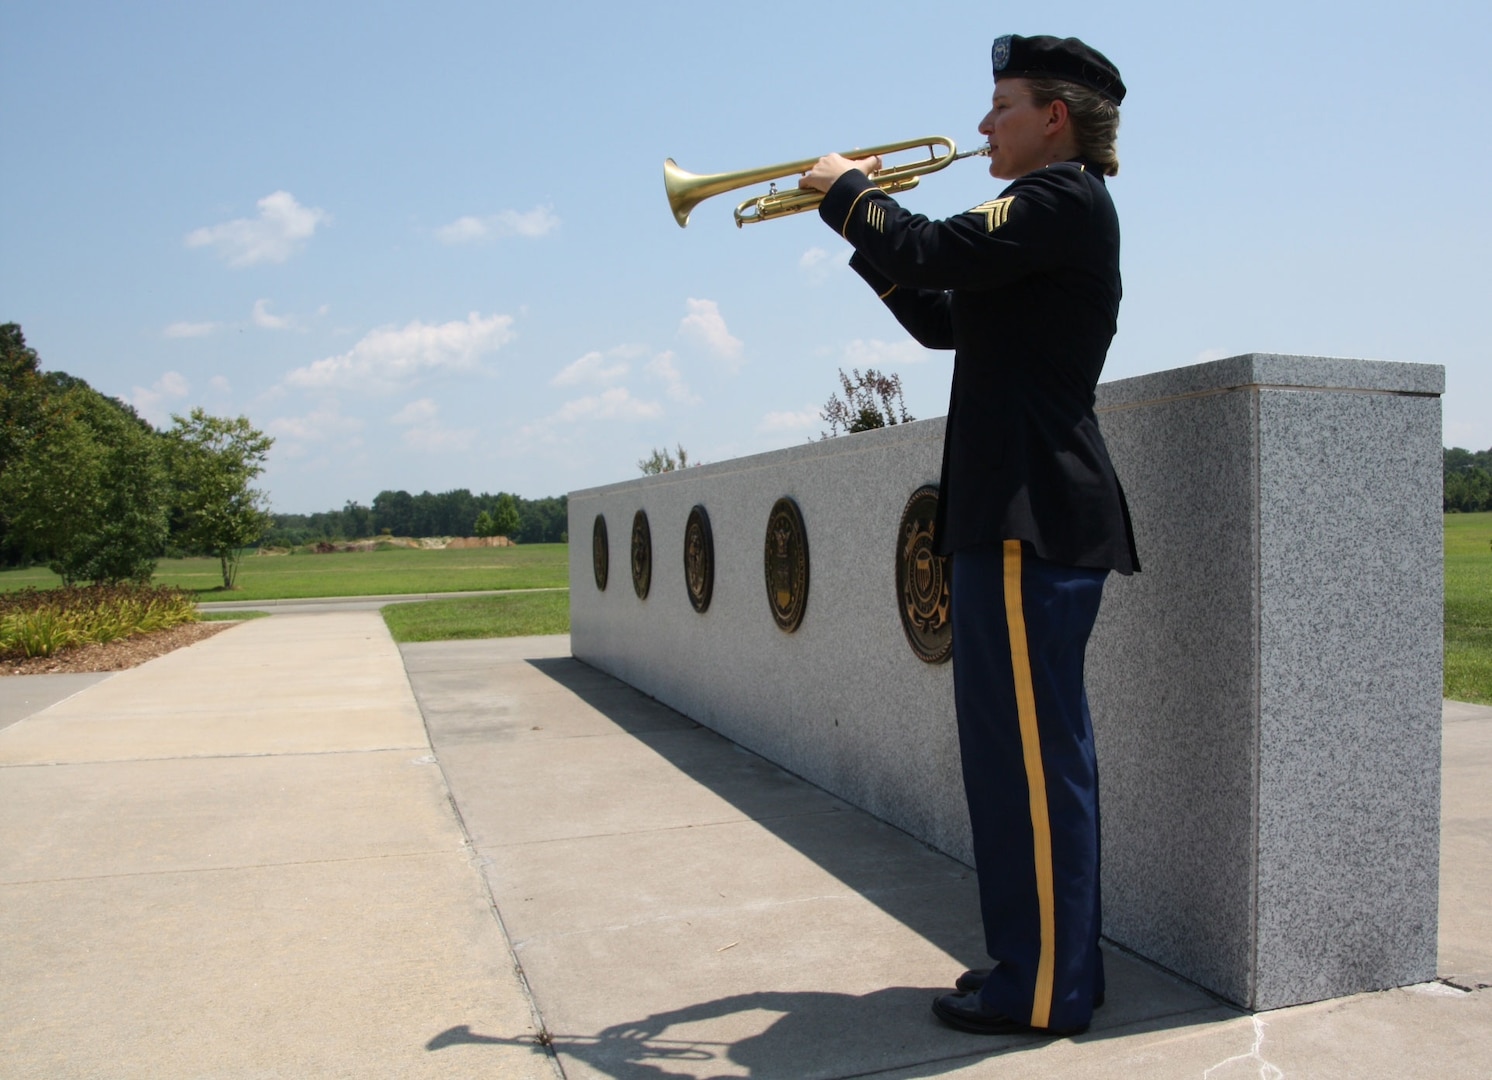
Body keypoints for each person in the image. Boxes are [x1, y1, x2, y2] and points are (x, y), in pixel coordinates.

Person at [798, 34, 1139, 1037]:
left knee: (1029, 763)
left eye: (1001, 105)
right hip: (1014, 514)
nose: (984, 124)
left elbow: (932, 245)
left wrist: (851, 193)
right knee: (1018, 760)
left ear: (1055, 117)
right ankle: (1048, 967)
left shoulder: (1058, 198)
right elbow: (944, 317)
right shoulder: (1040, 222)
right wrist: (861, 230)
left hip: (1029, 517)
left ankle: (1041, 988)